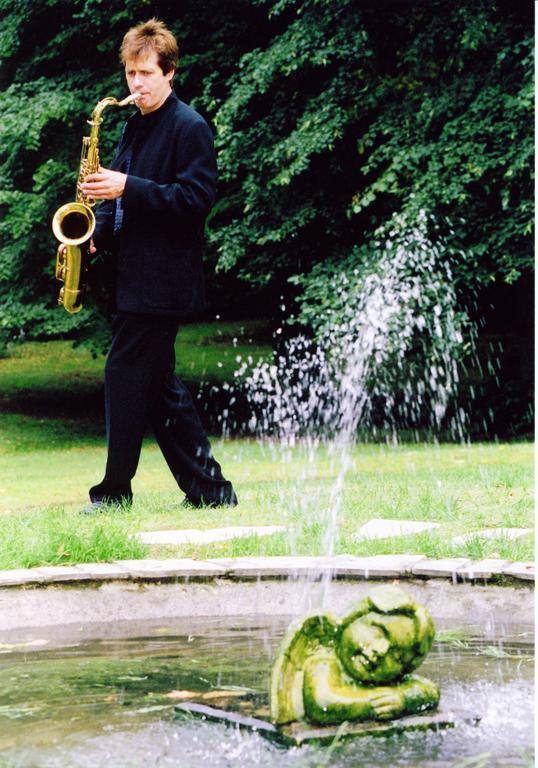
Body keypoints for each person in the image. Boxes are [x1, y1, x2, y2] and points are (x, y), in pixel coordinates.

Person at [79, 18, 237, 510]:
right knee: (159, 390)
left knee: (124, 372)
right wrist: (96, 232)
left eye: (146, 73)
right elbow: (116, 199)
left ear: (170, 72)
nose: (137, 84)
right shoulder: (131, 125)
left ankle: (113, 493)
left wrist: (127, 186)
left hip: (164, 281)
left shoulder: (190, 126)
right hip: (134, 278)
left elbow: (194, 200)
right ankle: (211, 492)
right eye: (131, 74)